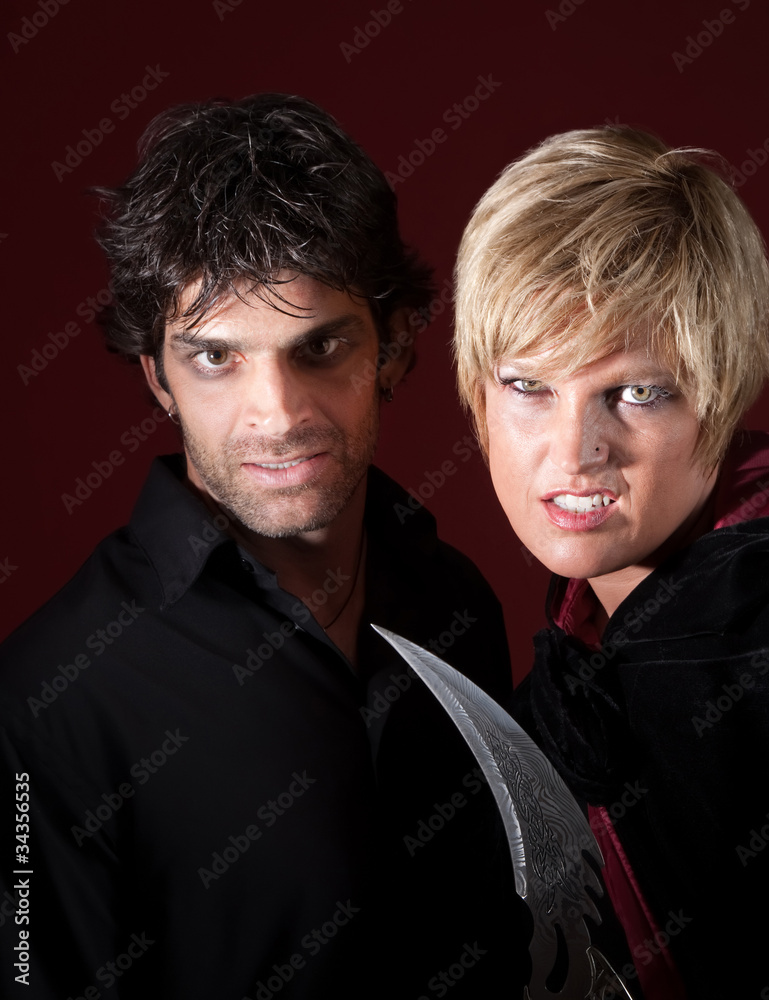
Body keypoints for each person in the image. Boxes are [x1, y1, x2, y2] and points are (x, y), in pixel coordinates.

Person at [0, 94, 525, 999]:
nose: (277, 415)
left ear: (394, 347)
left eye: (319, 347)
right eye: (215, 357)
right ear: (157, 377)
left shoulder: (455, 603)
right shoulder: (49, 702)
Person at [454, 127, 769, 999]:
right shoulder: (580, 647)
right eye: (528, 386)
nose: (575, 453)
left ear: (716, 398)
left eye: (636, 392)